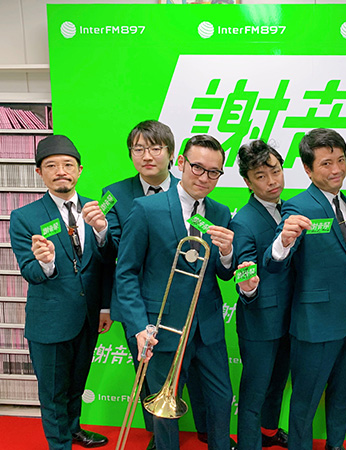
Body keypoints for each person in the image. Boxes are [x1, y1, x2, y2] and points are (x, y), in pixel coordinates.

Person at [114, 135, 241, 450]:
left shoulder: (221, 211)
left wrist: (227, 253)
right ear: (181, 162)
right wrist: (138, 327)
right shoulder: (146, 208)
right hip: (162, 327)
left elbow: (224, 273)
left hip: (207, 327)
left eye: (214, 172)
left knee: (221, 398)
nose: (204, 178)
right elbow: (126, 272)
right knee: (164, 409)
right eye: (197, 167)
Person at [264, 128, 346, 450]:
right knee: (305, 401)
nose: (336, 169)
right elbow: (274, 264)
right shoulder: (296, 207)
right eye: (326, 163)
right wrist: (283, 242)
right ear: (307, 169)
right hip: (313, 325)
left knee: (343, 396)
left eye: (341, 160)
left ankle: (335, 445)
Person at [102, 120, 207, 450]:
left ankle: (185, 430)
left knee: (186, 375)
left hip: (182, 305)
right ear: (130, 154)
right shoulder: (113, 194)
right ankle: (157, 436)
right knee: (147, 375)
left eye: (155, 148)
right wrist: (100, 231)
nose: (147, 156)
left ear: (172, 154)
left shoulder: (189, 189)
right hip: (137, 303)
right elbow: (115, 251)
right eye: (138, 149)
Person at [9, 135, 115, 449]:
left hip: (88, 318)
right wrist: (46, 263)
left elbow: (107, 262)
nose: (61, 171)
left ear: (79, 170)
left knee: (76, 384)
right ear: (39, 172)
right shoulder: (24, 217)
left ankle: (73, 428)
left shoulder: (97, 209)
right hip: (50, 322)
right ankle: (60, 444)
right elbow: (29, 272)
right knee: (53, 392)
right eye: (51, 166)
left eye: (68, 165)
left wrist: (102, 231)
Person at [230, 140, 292, 450]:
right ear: (247, 181)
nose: (272, 182)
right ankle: (249, 444)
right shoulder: (243, 220)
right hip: (260, 321)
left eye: (276, 172)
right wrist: (248, 286)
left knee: (277, 384)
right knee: (254, 391)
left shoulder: (290, 208)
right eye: (261, 176)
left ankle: (269, 432)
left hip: (291, 317)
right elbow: (243, 269)